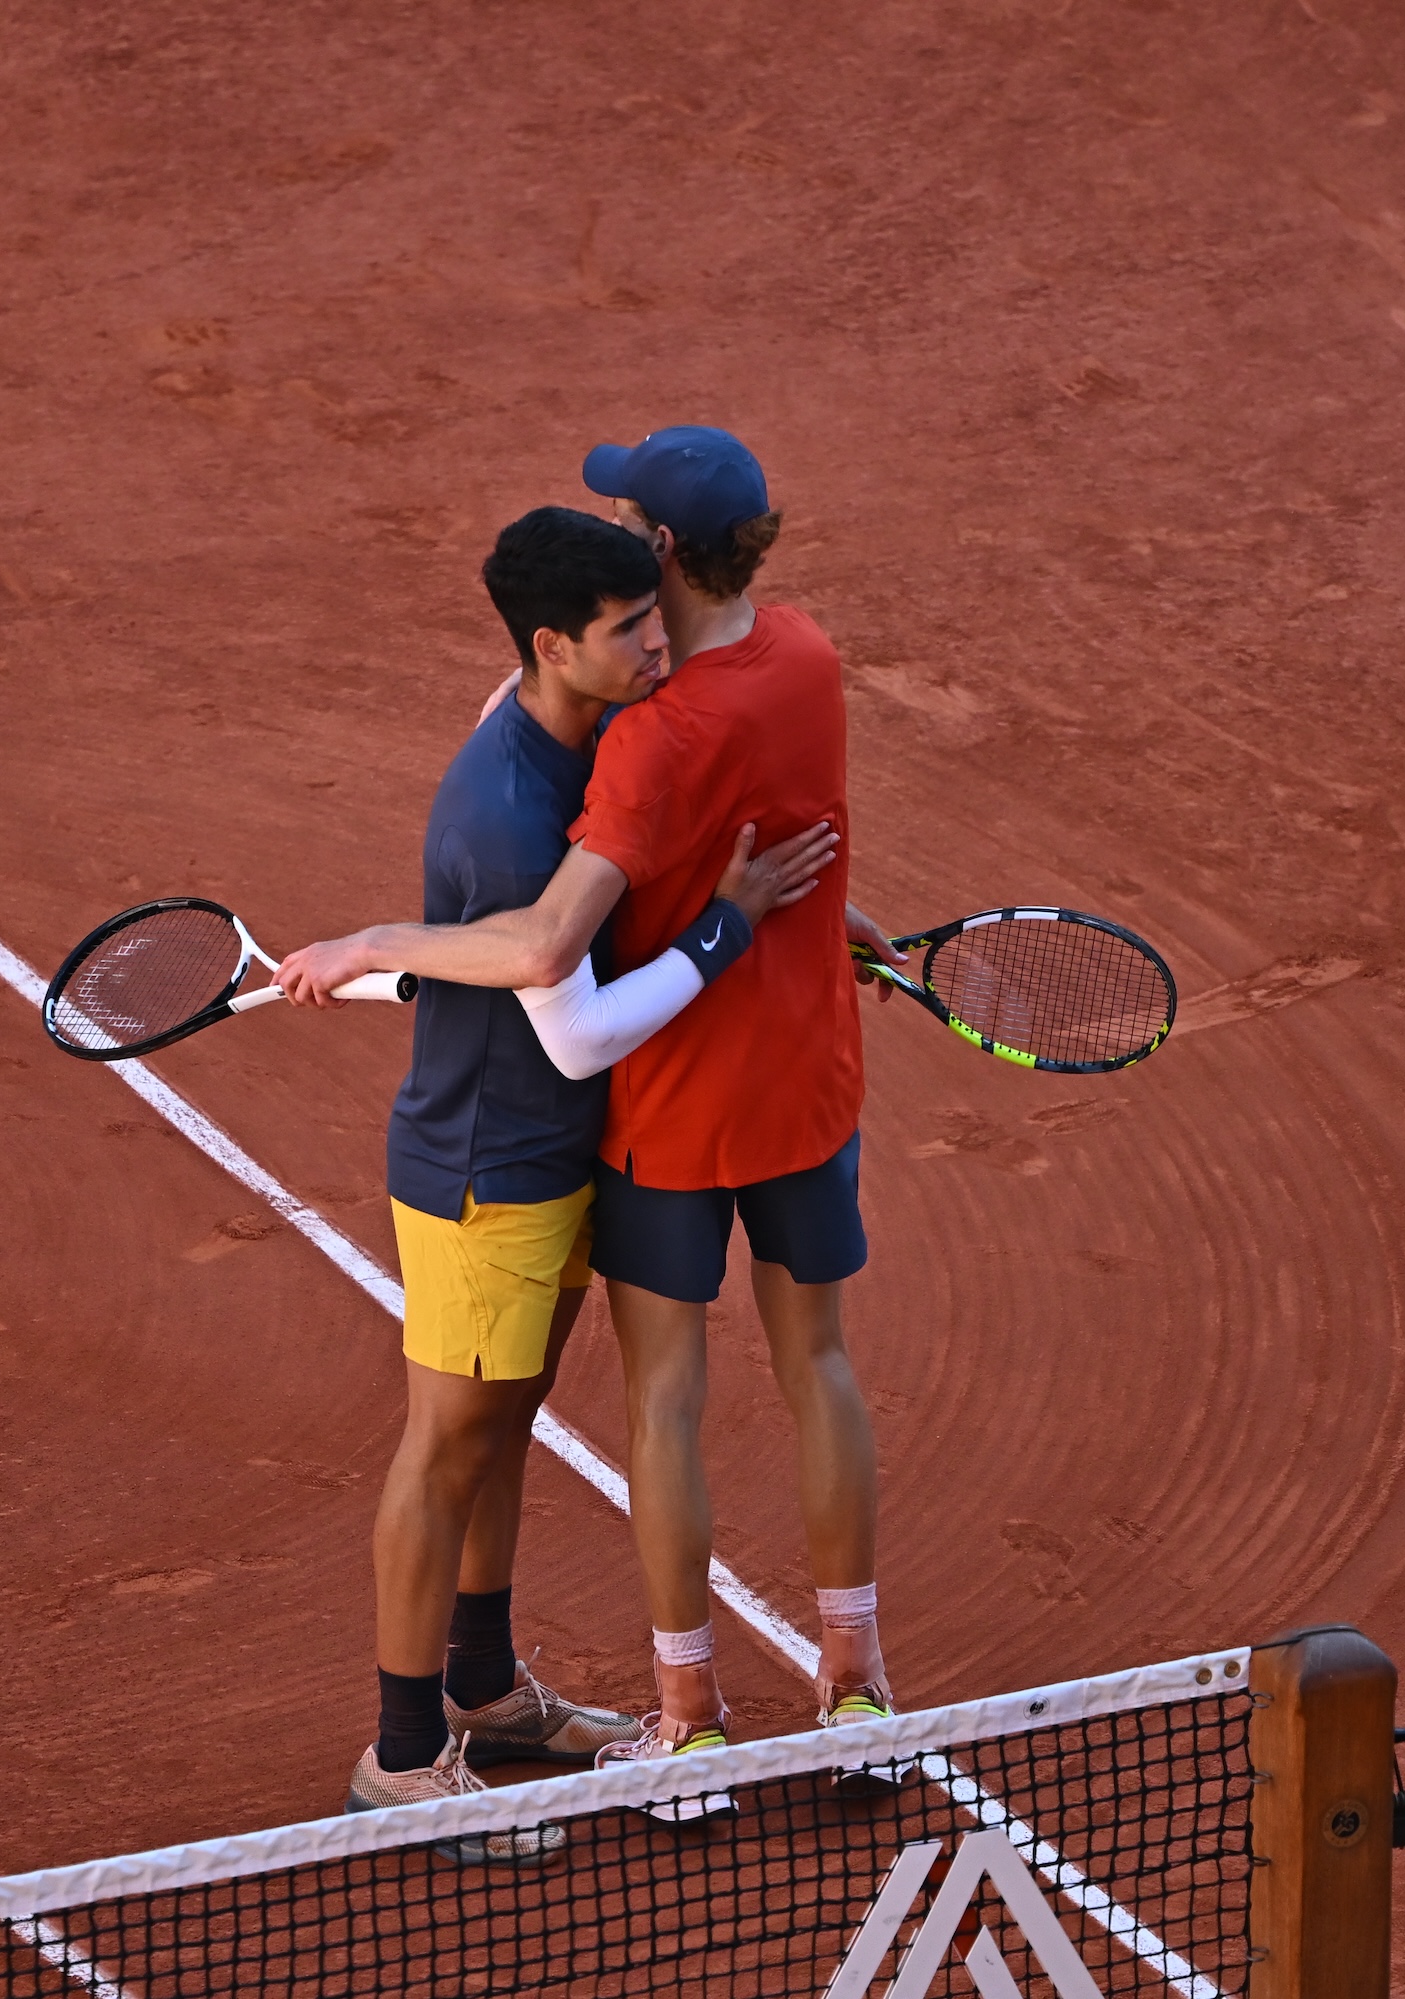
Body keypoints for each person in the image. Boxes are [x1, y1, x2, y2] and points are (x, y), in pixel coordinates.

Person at [281, 429, 901, 1785]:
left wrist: (375, 944)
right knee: (480, 1437)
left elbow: (574, 937)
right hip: (642, 1123)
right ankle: (409, 1753)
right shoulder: (789, 663)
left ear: (666, 555)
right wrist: (793, 930)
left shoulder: (635, 727)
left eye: (640, 569)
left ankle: (583, 1700)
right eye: (618, 625)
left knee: (576, 1417)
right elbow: (585, 963)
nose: (647, 635)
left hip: (625, 1132)